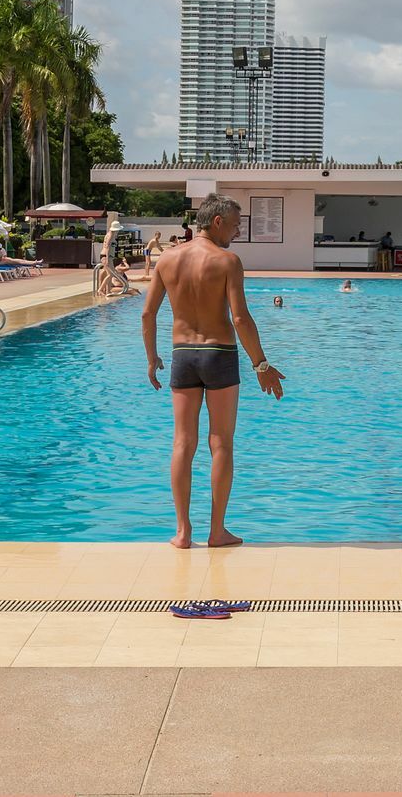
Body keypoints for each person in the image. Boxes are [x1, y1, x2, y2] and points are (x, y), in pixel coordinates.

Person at [142, 195, 286, 550]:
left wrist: (151, 358)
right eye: (236, 224)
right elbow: (239, 318)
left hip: (182, 355)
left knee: (182, 443)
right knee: (220, 442)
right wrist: (261, 365)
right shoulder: (227, 261)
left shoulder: (168, 259)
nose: (238, 232)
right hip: (218, 354)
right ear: (218, 221)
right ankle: (217, 531)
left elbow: (147, 315)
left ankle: (182, 532)